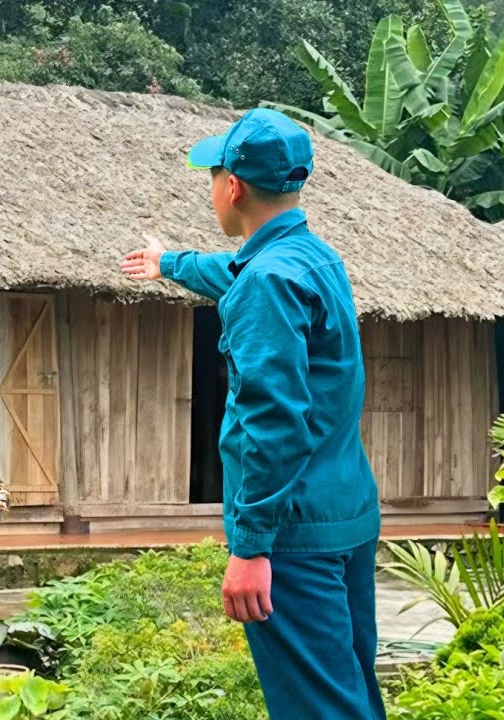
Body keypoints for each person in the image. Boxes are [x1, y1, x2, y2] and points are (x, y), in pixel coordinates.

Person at [121, 108, 385, 720]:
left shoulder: (268, 281)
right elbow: (233, 270)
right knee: (349, 692)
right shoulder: (313, 259)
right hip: (344, 514)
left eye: (213, 175)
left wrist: (251, 546)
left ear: (232, 186)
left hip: (292, 535)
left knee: (319, 708)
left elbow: (270, 421)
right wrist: (170, 263)